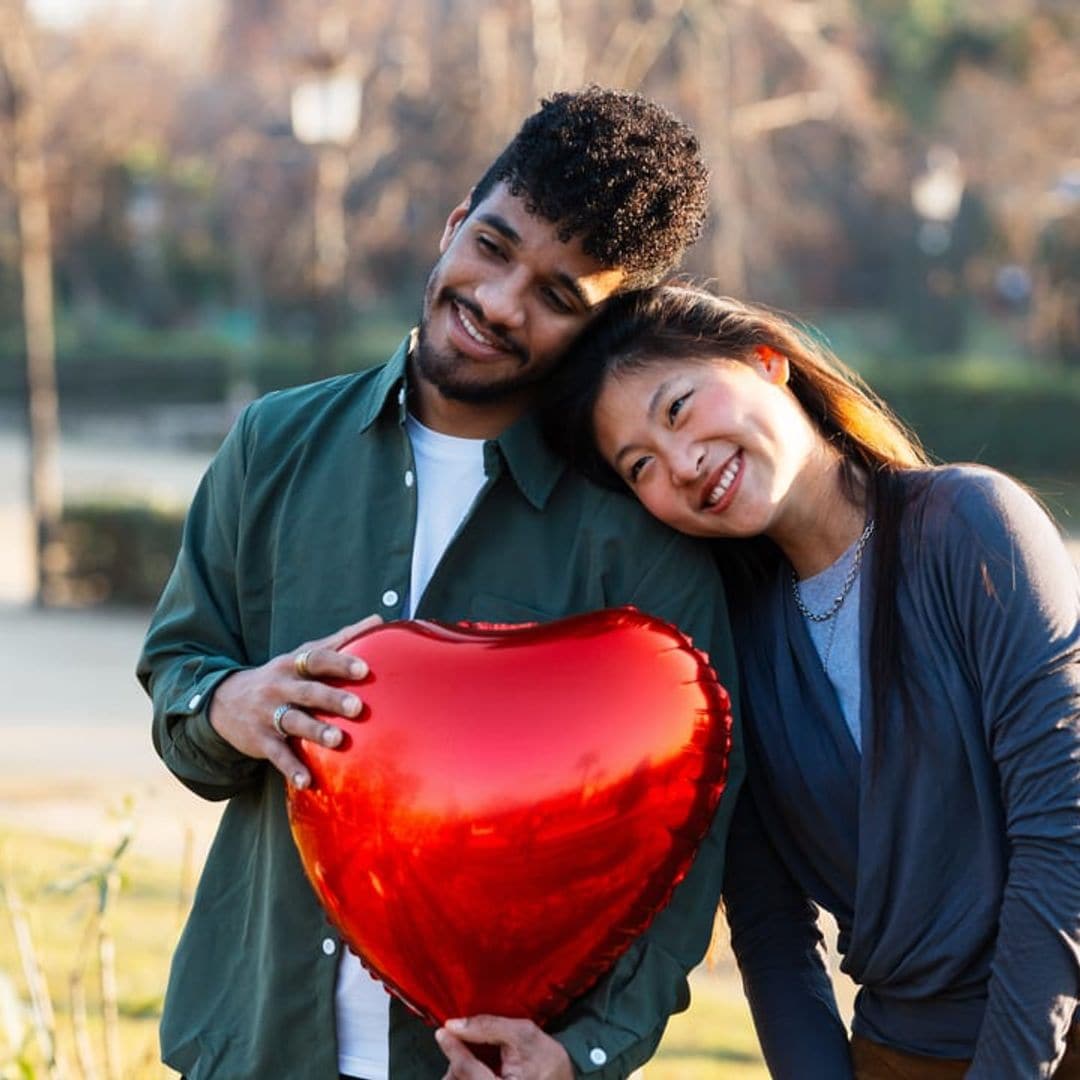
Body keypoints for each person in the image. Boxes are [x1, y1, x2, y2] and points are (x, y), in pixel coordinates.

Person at [137, 90, 744, 1080]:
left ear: (598, 329)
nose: (499, 303)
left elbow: (691, 847)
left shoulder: (638, 543)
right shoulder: (274, 446)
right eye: (494, 248)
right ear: (457, 220)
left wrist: (584, 1055)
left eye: (557, 296)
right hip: (248, 1047)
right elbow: (179, 683)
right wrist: (225, 703)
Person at [543, 284, 1080, 1078]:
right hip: (898, 1057)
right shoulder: (730, 649)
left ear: (768, 362)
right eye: (640, 466)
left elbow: (1063, 831)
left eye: (680, 407)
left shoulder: (971, 524)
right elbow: (769, 925)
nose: (683, 465)